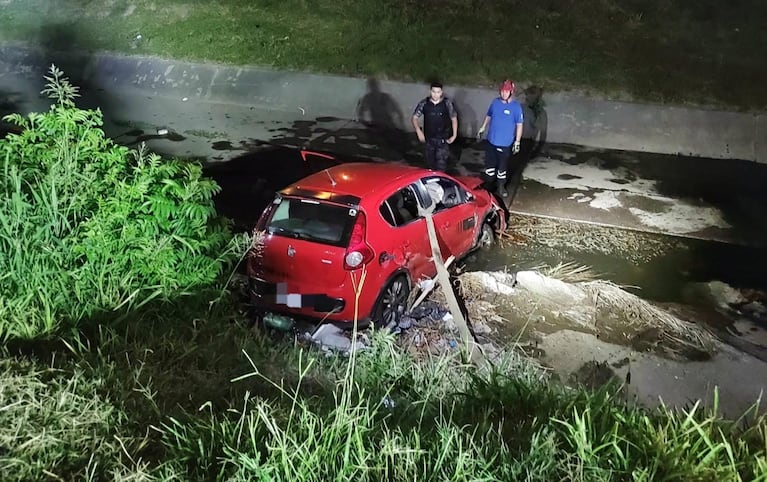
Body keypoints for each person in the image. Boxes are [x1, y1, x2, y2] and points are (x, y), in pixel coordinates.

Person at [477, 79, 523, 197]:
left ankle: (501, 186)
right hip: (492, 141)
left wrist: (517, 141)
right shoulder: (495, 102)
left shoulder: (516, 107)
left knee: (502, 167)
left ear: (511, 92)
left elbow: (519, 125)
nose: (503, 94)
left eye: (506, 92)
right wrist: (483, 127)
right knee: (490, 165)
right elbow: (489, 115)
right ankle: (489, 184)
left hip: (505, 143)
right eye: (502, 91)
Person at [411, 82, 458, 171]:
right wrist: (418, 131)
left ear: (441, 92)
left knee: (441, 165)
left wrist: (454, 135)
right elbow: (414, 118)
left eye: (438, 92)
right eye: (433, 91)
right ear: (430, 91)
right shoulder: (424, 103)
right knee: (429, 165)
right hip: (429, 139)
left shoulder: (447, 103)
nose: (435, 94)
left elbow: (454, 118)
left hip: (442, 139)